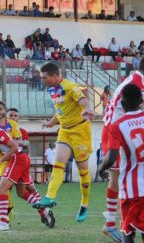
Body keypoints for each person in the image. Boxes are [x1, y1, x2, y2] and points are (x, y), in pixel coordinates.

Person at [33, 62, 94, 223]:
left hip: (80, 132)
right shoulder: (52, 89)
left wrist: (87, 108)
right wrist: (51, 123)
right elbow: (60, 109)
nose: (42, 80)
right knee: (58, 164)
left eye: (44, 77)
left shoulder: (70, 86)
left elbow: (83, 101)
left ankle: (84, 203)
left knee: (83, 172)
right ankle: (49, 196)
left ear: (54, 76)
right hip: (65, 131)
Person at [100, 57, 144, 242]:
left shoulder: (136, 79)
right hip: (117, 130)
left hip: (125, 127)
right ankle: (111, 222)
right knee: (119, 176)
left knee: (120, 176)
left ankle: (112, 222)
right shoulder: (138, 83)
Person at [7, 107, 55, 227]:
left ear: (18, 118)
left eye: (15, 116)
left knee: (13, 192)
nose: (13, 117)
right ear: (7, 117)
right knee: (31, 190)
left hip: (16, 163)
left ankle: (2, 220)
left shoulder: (21, 131)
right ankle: (44, 212)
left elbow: (27, 149)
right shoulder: (5, 131)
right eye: (10, 115)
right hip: (20, 163)